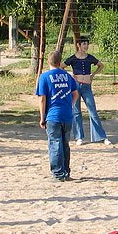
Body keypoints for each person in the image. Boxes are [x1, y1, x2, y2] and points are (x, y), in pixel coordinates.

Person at [37, 50, 79, 181]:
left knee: (55, 144)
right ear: (60, 62)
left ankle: (58, 173)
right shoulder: (67, 76)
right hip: (67, 115)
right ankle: (66, 171)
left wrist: (42, 117)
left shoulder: (44, 77)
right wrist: (70, 105)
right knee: (65, 144)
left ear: (48, 62)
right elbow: (76, 93)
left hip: (53, 116)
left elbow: (42, 99)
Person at [63, 36, 112, 146]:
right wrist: (70, 76)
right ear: (78, 45)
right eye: (84, 44)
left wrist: (93, 75)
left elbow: (101, 65)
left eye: (87, 44)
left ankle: (101, 136)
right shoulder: (73, 58)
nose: (86, 46)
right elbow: (61, 66)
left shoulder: (90, 57)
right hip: (75, 87)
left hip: (86, 87)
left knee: (93, 111)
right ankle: (79, 137)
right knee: (76, 112)